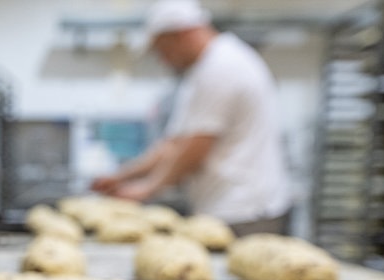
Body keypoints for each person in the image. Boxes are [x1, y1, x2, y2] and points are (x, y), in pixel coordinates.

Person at [91, 0, 293, 236]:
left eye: (164, 50)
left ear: (183, 34)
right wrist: (122, 177)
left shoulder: (222, 68)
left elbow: (195, 148)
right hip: (225, 206)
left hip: (243, 209)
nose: (164, 60)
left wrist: (146, 189)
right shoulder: (204, 70)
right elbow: (173, 144)